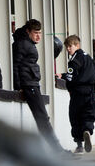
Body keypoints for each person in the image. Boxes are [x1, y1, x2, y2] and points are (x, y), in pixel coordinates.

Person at [12, 19, 65, 153]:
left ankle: (56, 149)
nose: (39, 36)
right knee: (42, 118)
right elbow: (15, 65)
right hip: (29, 84)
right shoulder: (23, 44)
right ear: (28, 32)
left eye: (40, 33)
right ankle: (57, 150)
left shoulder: (27, 43)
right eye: (35, 33)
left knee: (42, 117)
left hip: (31, 83)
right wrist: (18, 86)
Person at [55, 35, 95, 153]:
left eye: (70, 46)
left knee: (75, 116)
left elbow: (71, 78)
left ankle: (79, 144)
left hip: (78, 92)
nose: (68, 49)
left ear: (77, 45)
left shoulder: (74, 60)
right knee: (89, 114)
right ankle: (87, 131)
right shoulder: (89, 58)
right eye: (67, 47)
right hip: (90, 92)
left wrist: (69, 87)